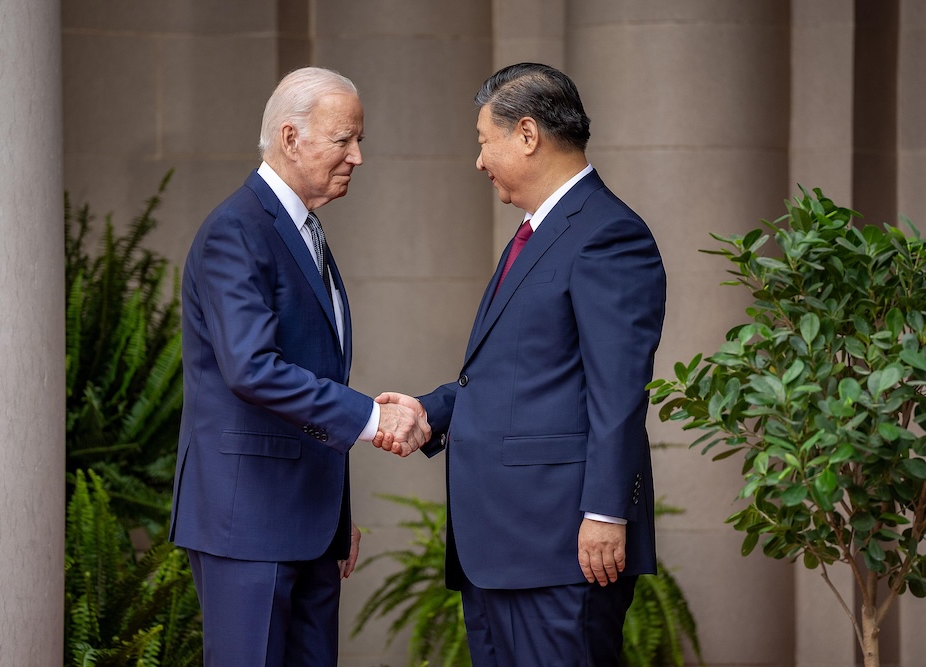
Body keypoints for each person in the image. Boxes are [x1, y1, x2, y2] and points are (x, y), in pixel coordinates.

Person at [376, 63, 666, 666]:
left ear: (527, 134)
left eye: (484, 141)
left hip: (561, 548)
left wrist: (606, 513)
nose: (479, 161)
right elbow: (511, 375)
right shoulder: (534, 234)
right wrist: (429, 410)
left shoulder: (608, 235)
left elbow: (618, 392)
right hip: (501, 551)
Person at [170, 66, 429, 667]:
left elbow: (313, 374)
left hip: (308, 528)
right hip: (249, 526)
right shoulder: (236, 230)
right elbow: (253, 369)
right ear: (290, 138)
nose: (358, 157)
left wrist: (334, 517)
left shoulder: (302, 230)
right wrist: (373, 417)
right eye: (345, 140)